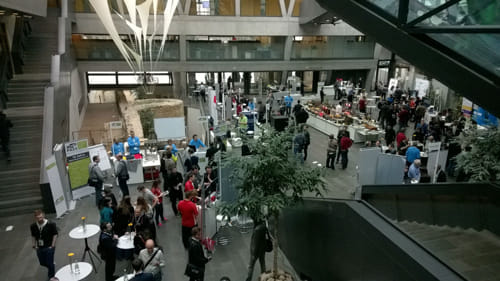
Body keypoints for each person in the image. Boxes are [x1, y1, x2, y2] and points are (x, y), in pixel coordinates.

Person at [30, 209, 58, 280]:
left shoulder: (51, 224)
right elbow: (33, 236)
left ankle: (51, 277)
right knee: (42, 263)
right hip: (39, 247)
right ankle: (51, 265)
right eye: (38, 217)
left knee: (50, 263)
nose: (39, 219)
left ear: (43, 215)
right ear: (35, 218)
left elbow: (55, 234)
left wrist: (52, 246)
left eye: (41, 217)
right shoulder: (33, 226)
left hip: (49, 247)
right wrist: (34, 245)